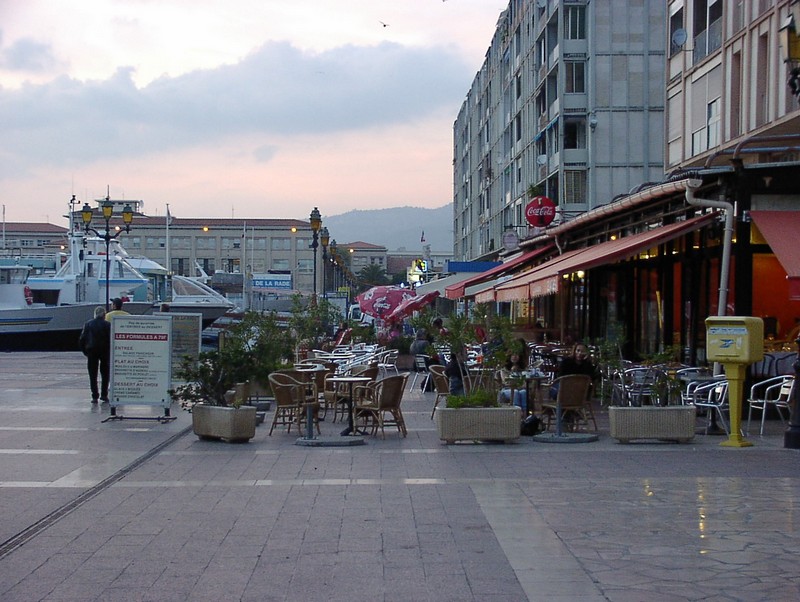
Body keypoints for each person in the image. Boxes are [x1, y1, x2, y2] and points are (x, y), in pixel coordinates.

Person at [79, 306, 111, 403]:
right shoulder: (107, 325)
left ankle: (94, 396)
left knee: (92, 374)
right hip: (104, 351)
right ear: (104, 315)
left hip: (91, 351)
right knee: (105, 374)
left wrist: (85, 351)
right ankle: (104, 395)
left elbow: (82, 339)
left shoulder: (88, 324)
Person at [498, 346, 529, 412]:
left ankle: (525, 413)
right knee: (516, 393)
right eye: (512, 355)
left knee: (524, 393)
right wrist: (512, 372)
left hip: (521, 388)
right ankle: (516, 413)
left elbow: (525, 381)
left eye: (516, 355)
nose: (514, 357)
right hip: (507, 389)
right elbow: (506, 382)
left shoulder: (523, 368)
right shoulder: (504, 369)